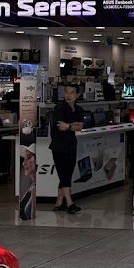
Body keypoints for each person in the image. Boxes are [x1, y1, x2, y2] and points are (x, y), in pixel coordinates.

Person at [50, 84, 86, 213]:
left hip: (71, 145)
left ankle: (59, 203)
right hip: (59, 146)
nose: (68, 95)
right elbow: (61, 127)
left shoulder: (79, 110)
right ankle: (70, 204)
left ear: (77, 95)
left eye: (72, 93)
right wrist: (72, 125)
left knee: (67, 174)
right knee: (64, 174)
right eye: (67, 92)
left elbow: (80, 126)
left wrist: (69, 126)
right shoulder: (59, 108)